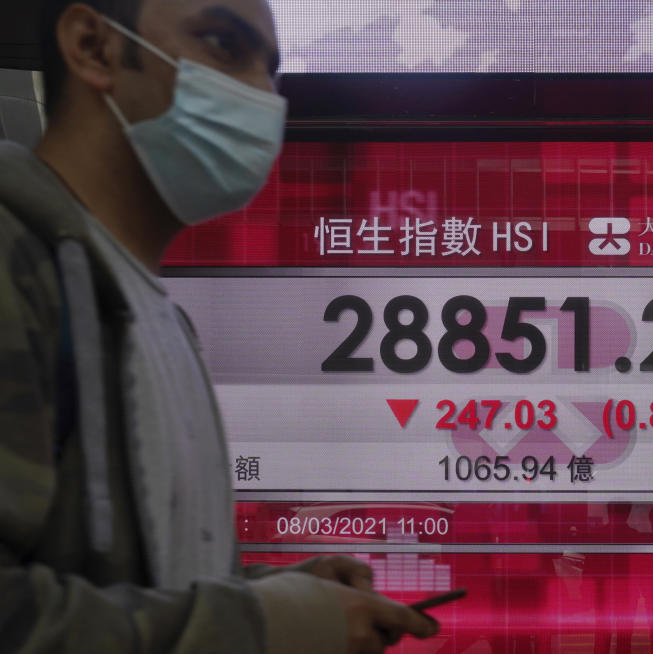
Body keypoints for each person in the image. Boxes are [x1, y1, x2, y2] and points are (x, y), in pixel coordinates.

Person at [0, 0, 438, 652]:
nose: (262, 96)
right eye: (223, 45)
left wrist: (290, 593)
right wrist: (264, 624)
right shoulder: (18, 269)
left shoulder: (150, 314)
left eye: (272, 69)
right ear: (93, 46)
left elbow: (138, 578)